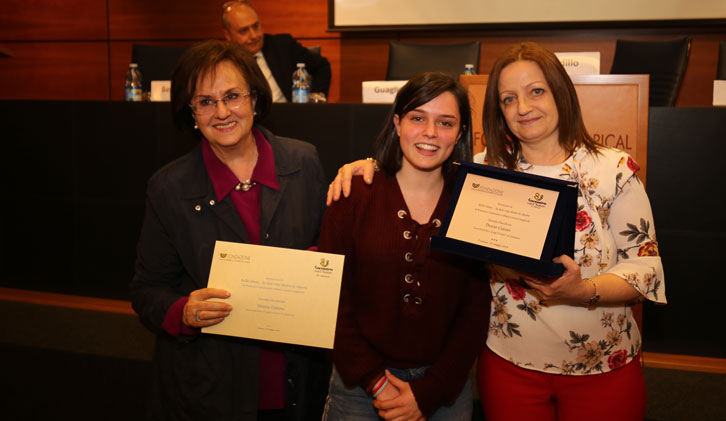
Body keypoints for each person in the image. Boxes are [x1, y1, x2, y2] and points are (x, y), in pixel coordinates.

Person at [327, 42, 666, 421]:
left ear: (560, 92)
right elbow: (423, 153)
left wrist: (583, 289)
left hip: (602, 362)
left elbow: (647, 270)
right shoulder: (482, 173)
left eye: (536, 91)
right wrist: (369, 163)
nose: (523, 107)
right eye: (508, 99)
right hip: (510, 362)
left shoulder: (613, 170)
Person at [130, 40, 329, 421]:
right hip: (210, 390)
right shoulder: (169, 187)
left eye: (233, 96)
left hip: (299, 383)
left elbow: (332, 253)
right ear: (190, 113)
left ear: (254, 98)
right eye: (205, 101)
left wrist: (317, 268)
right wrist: (184, 311)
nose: (222, 112)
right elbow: (145, 290)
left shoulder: (305, 162)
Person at [319, 72, 490, 421]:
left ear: (460, 133)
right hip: (357, 389)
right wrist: (375, 382)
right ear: (397, 123)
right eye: (417, 118)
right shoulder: (352, 195)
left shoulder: (474, 203)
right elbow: (331, 299)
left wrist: (428, 391)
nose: (430, 133)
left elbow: (475, 310)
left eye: (445, 122)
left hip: (443, 392)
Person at [222, 0, 331, 102]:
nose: (254, 35)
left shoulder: (282, 45)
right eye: (244, 31)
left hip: (287, 115)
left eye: (256, 26)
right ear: (228, 35)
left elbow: (322, 66)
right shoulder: (224, 62)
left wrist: (315, 98)